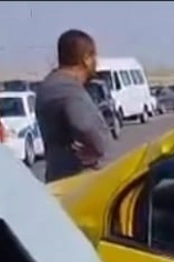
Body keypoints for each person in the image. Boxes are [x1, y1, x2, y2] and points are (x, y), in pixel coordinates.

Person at [35, 29, 113, 183]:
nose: (96, 62)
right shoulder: (67, 89)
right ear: (86, 59)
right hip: (78, 182)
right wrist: (99, 151)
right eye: (94, 56)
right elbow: (85, 126)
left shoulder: (49, 84)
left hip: (59, 177)